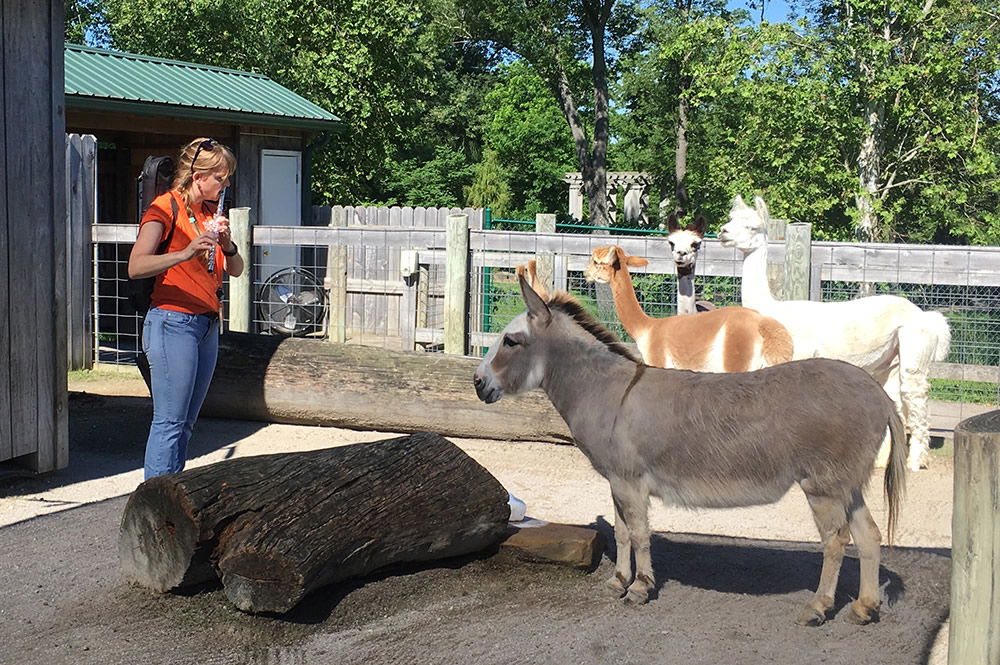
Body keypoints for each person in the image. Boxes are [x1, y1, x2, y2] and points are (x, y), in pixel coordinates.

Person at [127, 138, 244, 479]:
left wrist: (228, 244)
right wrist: (184, 253)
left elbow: (235, 270)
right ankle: (155, 503)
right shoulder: (165, 208)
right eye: (221, 178)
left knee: (186, 424)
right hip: (172, 321)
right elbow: (136, 266)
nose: (225, 185)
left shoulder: (211, 215)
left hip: (206, 325)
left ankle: (172, 497)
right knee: (169, 423)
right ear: (198, 176)